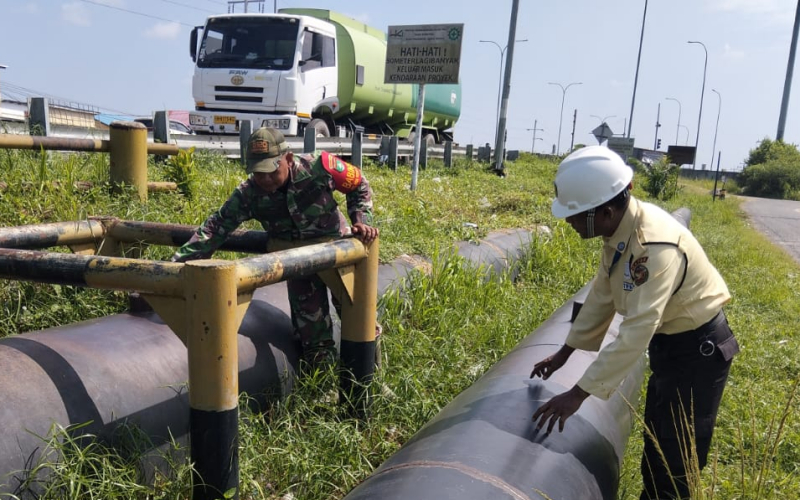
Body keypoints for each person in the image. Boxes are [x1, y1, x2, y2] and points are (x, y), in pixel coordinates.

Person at [530, 146, 739, 499]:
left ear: (606, 211)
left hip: (697, 353)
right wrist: (564, 354)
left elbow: (637, 330)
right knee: (657, 445)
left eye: (576, 215)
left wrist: (578, 394)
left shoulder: (653, 248)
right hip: (671, 347)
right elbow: (602, 296)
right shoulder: (616, 233)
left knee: (676, 462)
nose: (569, 222)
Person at [171, 127, 379, 369]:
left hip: (339, 256)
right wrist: (174, 269)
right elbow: (215, 227)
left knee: (361, 320)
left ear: (288, 159)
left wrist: (362, 220)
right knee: (312, 335)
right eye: (259, 173)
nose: (266, 180)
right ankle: (323, 392)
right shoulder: (248, 193)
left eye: (271, 171)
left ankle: (369, 380)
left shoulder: (320, 166)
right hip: (297, 264)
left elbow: (359, 184)